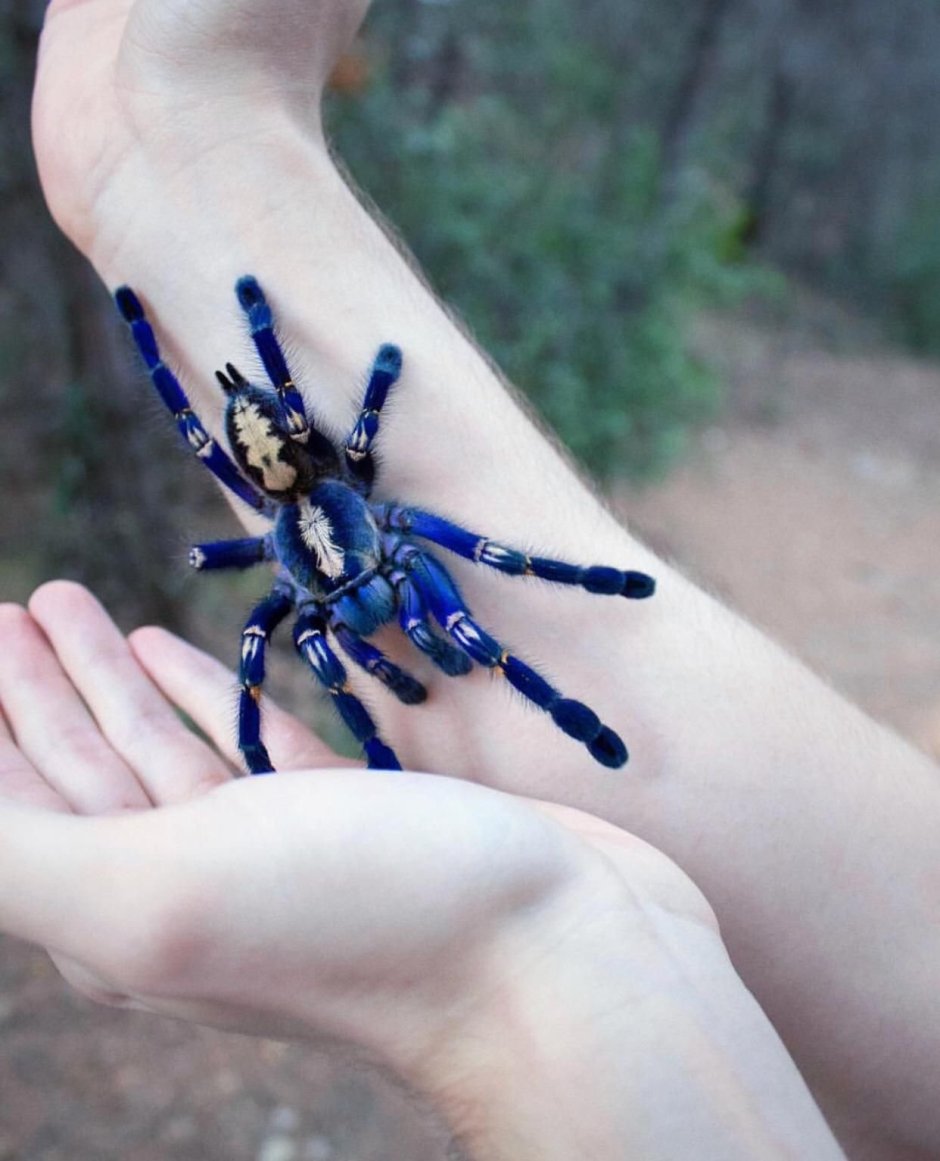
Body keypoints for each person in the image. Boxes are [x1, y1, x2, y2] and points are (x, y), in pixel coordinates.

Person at [2, 0, 937, 1155]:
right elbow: (295, 619)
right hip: (322, 521)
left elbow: (462, 546)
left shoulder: (351, 488)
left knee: (479, 586)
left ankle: (164, 170)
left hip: (340, 503)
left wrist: (510, 963)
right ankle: (163, 170)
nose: (369, 630)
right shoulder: (315, 579)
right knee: (307, 625)